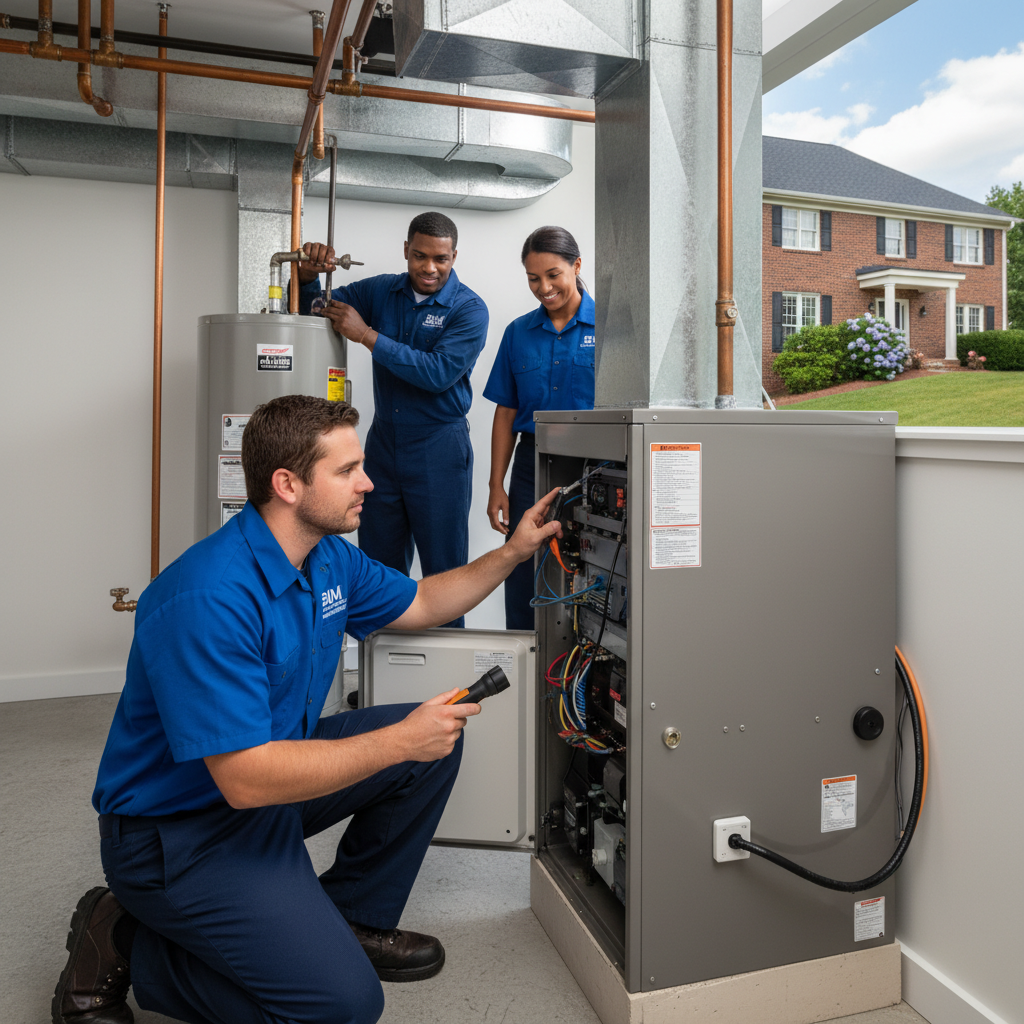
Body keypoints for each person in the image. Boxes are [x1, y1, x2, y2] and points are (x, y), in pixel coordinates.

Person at [52, 395, 561, 1024]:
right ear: (287, 484)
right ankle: (126, 939)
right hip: (181, 832)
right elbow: (244, 780)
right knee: (343, 1007)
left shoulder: (327, 557)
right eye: (347, 471)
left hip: (265, 788)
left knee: (434, 744)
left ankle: (347, 922)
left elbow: (423, 601)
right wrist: (399, 740)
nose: (368, 483)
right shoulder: (208, 598)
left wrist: (512, 552)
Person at [295, 212, 488, 628]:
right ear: (406, 250)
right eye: (419, 256)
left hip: (439, 448)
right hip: (383, 447)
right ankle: (382, 683)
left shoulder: (470, 309)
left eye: (441, 259)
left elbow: (437, 373)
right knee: (377, 573)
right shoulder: (382, 291)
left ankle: (446, 689)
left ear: (454, 256)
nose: (429, 268)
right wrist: (308, 276)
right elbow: (316, 309)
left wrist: (366, 335)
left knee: (445, 575)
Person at [483, 226, 596, 630]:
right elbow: (506, 413)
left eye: (553, 275)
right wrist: (497, 484)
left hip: (597, 465)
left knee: (595, 559)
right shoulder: (518, 333)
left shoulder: (612, 329)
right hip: (532, 466)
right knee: (522, 562)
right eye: (533, 278)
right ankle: (526, 656)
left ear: (576, 266)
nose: (544, 287)